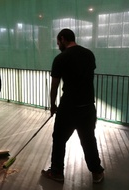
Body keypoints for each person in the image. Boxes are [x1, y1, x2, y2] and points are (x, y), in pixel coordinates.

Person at [41, 29, 104, 183]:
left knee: (59, 139)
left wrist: (52, 105)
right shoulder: (89, 54)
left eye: (58, 43)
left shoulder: (60, 58)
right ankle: (96, 172)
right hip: (87, 106)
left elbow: (54, 86)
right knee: (88, 139)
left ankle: (57, 172)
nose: (58, 46)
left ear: (62, 39)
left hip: (68, 107)